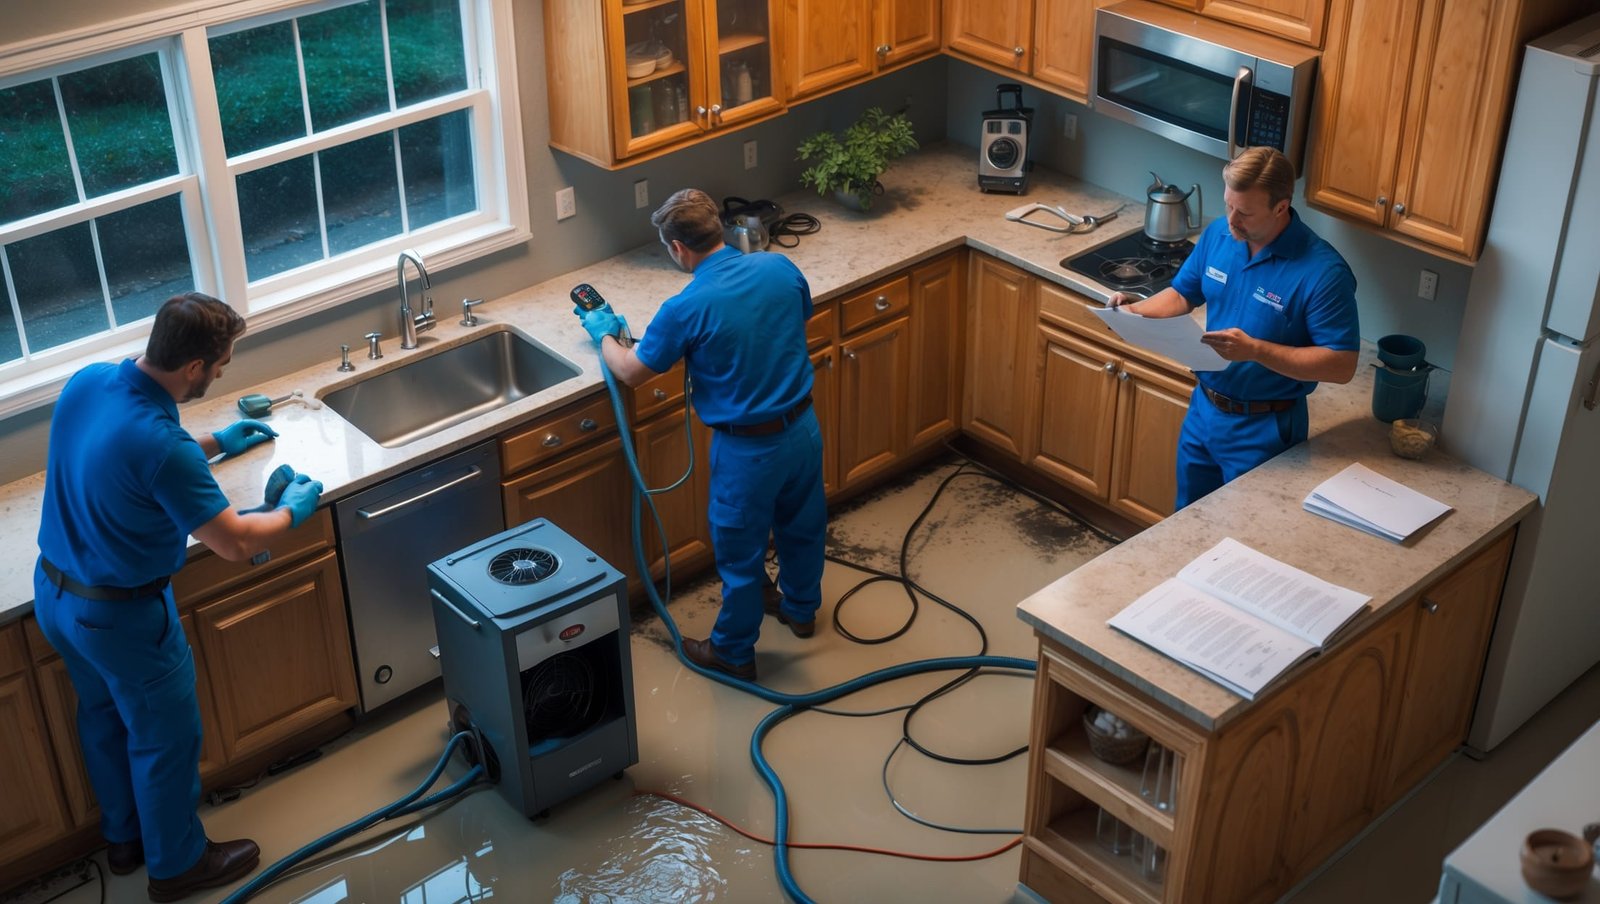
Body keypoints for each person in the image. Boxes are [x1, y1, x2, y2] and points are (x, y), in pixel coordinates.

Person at [33, 292, 324, 902]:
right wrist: (295, 511)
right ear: (193, 366)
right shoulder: (163, 446)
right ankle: (177, 867)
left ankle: (126, 841)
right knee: (165, 739)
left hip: (56, 597)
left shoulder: (89, 383)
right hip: (122, 615)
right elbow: (235, 541)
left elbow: (122, 456)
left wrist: (214, 444)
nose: (222, 372)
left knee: (103, 718)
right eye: (221, 363)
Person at [578, 188, 826, 682]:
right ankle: (799, 609)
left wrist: (601, 332)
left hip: (748, 450)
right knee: (803, 525)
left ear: (677, 248)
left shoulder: (684, 308)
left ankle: (733, 651)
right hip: (802, 429)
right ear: (721, 229)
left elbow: (630, 370)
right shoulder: (778, 268)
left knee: (739, 551)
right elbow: (797, 320)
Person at [1109, 147, 1359, 509]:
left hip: (1266, 426)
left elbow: (1342, 365)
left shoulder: (1323, 273)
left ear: (1280, 207)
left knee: (1241, 540)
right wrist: (1133, 311)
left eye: (1244, 212)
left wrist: (1256, 350)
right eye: (1228, 205)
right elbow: (1182, 294)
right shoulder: (1220, 235)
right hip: (1204, 410)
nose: (1231, 220)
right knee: (1185, 524)